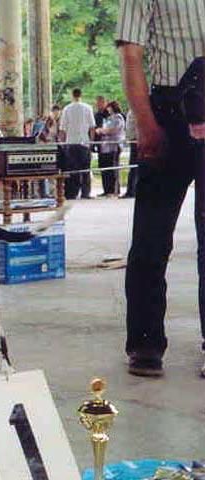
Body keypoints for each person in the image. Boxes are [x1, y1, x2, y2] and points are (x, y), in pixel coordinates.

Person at [117, 0, 205, 377]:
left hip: (189, 106)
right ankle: (145, 342)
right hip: (169, 111)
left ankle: (149, 346)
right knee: (151, 237)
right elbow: (131, 54)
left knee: (157, 238)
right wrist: (146, 123)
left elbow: (131, 54)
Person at [59, 88, 96, 199]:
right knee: (85, 169)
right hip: (84, 142)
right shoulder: (88, 108)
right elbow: (92, 127)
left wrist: (63, 143)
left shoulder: (67, 109)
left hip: (71, 142)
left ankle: (72, 193)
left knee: (72, 169)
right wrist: (91, 142)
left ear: (72, 95)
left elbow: (62, 129)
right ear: (81, 95)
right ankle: (85, 192)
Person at [96, 101, 125, 197]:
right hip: (105, 147)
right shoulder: (108, 118)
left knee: (113, 169)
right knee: (106, 169)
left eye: (109, 107)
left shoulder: (118, 118)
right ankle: (107, 190)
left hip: (114, 146)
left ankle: (114, 190)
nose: (107, 109)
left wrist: (102, 131)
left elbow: (113, 130)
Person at [121, 110, 138, 198]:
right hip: (133, 140)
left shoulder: (136, 111)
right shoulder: (131, 111)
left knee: (134, 167)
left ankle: (132, 190)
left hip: (136, 140)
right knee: (133, 167)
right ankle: (131, 190)